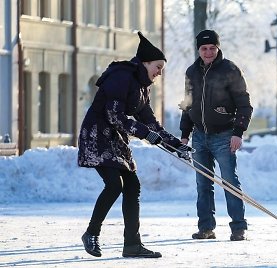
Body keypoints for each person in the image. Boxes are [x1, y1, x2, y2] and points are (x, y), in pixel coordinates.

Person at [78, 32, 191, 258]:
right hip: (97, 135)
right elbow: (114, 115)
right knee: (113, 185)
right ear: (145, 63)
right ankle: (91, 233)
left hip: (115, 138)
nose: (160, 72)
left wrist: (175, 145)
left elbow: (150, 123)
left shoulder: (142, 86)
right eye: (158, 67)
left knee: (132, 185)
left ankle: (132, 245)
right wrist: (145, 134)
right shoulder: (121, 76)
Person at [178, 29, 253, 241]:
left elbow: (244, 104)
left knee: (229, 181)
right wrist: (185, 135)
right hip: (199, 137)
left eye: (212, 48)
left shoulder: (229, 70)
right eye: (204, 48)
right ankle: (206, 228)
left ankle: (238, 227)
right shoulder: (191, 72)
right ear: (198, 49)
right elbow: (187, 104)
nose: (208, 52)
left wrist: (238, 132)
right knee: (203, 184)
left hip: (224, 135)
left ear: (218, 48)